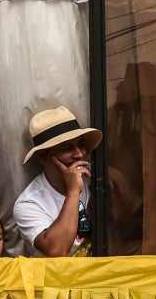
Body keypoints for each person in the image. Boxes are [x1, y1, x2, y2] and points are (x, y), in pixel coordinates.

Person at [14, 106, 102, 258]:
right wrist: (73, 191)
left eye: (81, 144)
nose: (79, 154)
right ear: (43, 157)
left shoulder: (96, 175)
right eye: (67, 148)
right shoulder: (29, 203)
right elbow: (57, 250)